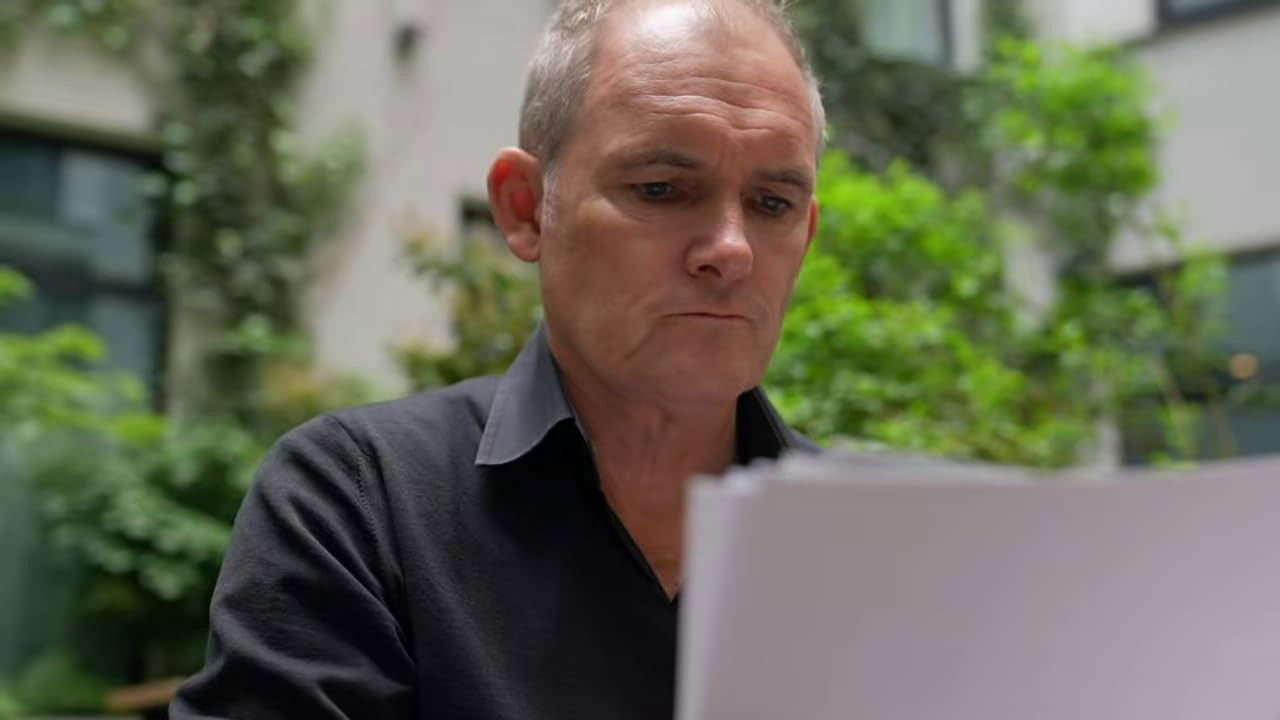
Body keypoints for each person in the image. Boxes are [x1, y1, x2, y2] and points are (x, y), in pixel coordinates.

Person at [170, 0, 825, 717]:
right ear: (525, 208)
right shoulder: (359, 506)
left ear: (808, 232)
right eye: (661, 190)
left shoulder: (877, 545)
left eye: (772, 204)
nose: (730, 250)